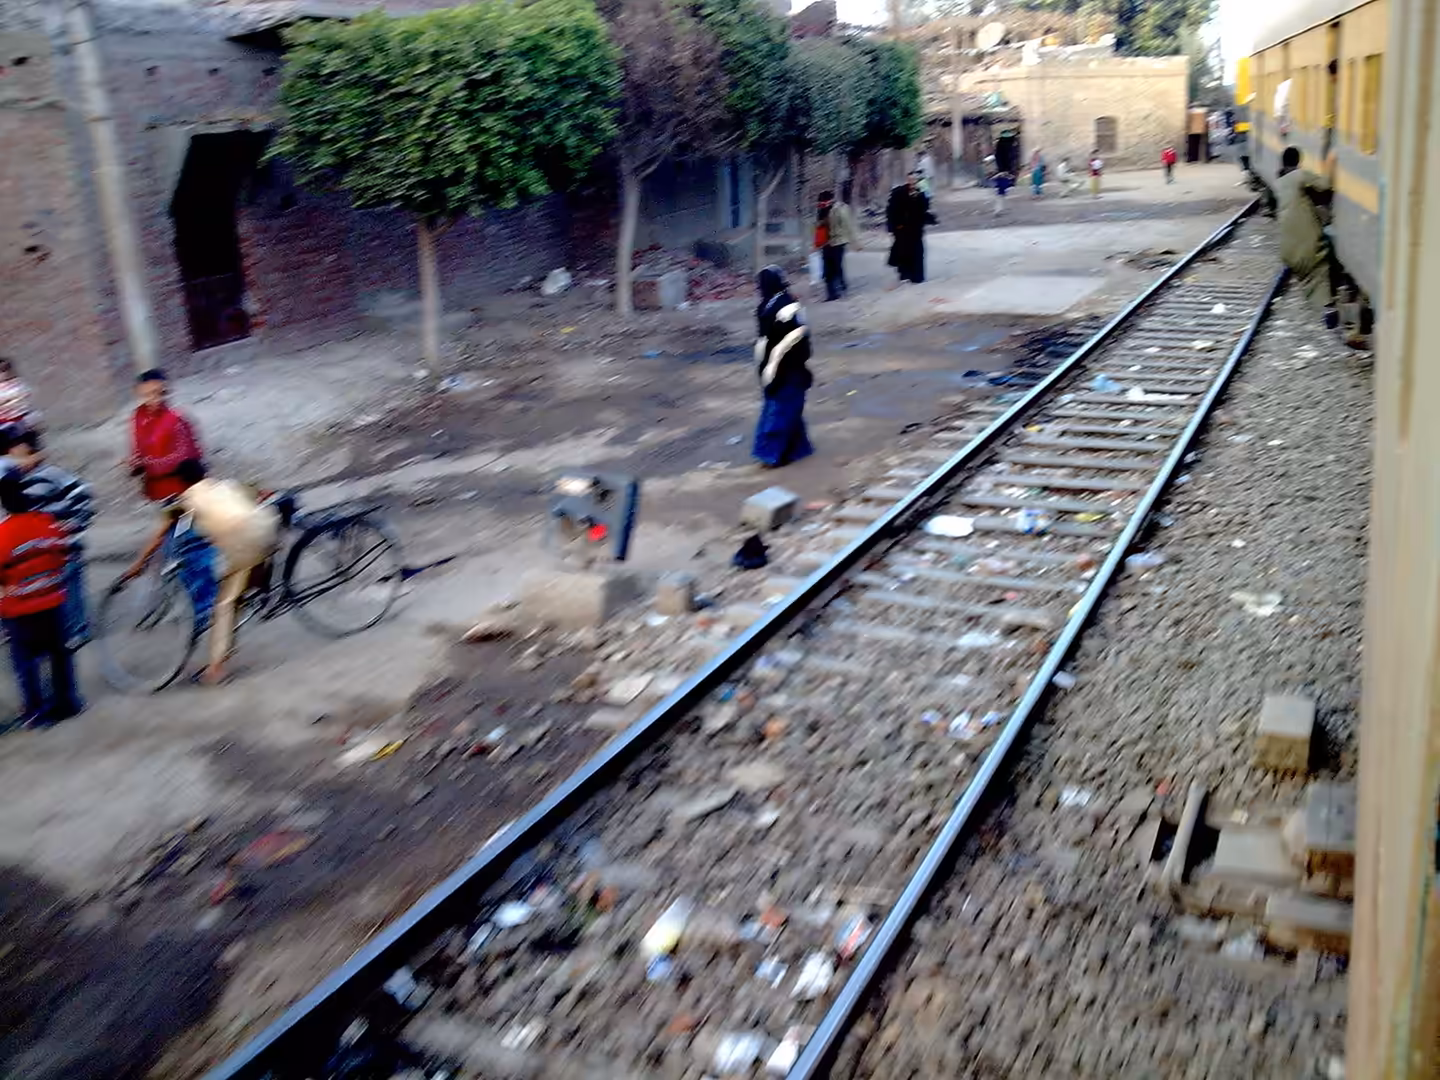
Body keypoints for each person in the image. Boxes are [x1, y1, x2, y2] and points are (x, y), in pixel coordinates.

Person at [122, 460, 279, 686]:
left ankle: (216, 669)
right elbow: (263, 494)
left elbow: (159, 537)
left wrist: (138, 566)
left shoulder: (183, 502)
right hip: (266, 529)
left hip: (245, 544)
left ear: (179, 482)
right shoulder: (227, 485)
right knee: (250, 565)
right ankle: (264, 589)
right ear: (206, 473)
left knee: (225, 605)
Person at [0, 472, 82, 728]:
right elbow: (62, 557)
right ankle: (66, 703)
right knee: (59, 654)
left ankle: (36, 712)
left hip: (19, 608)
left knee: (26, 662)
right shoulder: (47, 523)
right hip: (52, 600)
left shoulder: (3, 533)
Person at [5, 430, 93, 650]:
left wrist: (73, 526)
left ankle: (79, 631)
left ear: (29, 450)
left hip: (66, 542)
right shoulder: (19, 481)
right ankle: (60, 632)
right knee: (55, 589)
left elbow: (83, 494)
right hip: (47, 546)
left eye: (18, 451)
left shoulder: (51, 474)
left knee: (72, 587)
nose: (15, 457)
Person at [751, 266, 814, 469]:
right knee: (788, 411)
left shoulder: (785, 307)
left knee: (778, 413)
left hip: (788, 369)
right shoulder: (766, 307)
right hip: (776, 369)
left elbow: (799, 342)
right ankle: (799, 451)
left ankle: (771, 455)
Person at [1275, 145, 1339, 323]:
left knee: (1307, 277)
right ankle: (1329, 310)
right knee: (1320, 270)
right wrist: (1330, 162)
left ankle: (1321, 305)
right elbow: (1326, 184)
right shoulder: (1300, 175)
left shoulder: (1279, 183)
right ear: (1298, 161)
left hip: (1287, 249)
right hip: (1307, 244)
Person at [129, 368, 202, 503]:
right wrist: (135, 460)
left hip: (181, 486)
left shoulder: (176, 419)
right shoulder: (138, 416)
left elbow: (185, 456)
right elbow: (138, 446)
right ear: (140, 393)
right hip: (156, 486)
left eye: (160, 393)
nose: (155, 399)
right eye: (148, 394)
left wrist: (148, 463)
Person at [886, 172, 935, 285]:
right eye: (911, 179)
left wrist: (924, 193)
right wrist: (893, 226)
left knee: (918, 252)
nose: (913, 182)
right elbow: (891, 210)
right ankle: (905, 273)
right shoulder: (898, 192)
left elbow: (925, 208)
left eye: (915, 180)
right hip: (902, 229)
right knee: (903, 251)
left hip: (916, 229)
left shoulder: (921, 193)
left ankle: (917, 276)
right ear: (907, 180)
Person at [815, 190, 857, 302]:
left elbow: (848, 226)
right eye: (820, 203)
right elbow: (818, 227)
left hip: (838, 242)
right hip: (826, 243)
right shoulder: (821, 210)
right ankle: (831, 293)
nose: (822, 205)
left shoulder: (840, 209)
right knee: (827, 269)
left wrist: (854, 241)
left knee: (837, 266)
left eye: (824, 202)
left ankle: (842, 286)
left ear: (830, 200)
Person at [0, 357, 39, 439]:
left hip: (18, 421)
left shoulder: (16, 384)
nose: (3, 373)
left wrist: (7, 401)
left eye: (4, 370)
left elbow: (23, 398)